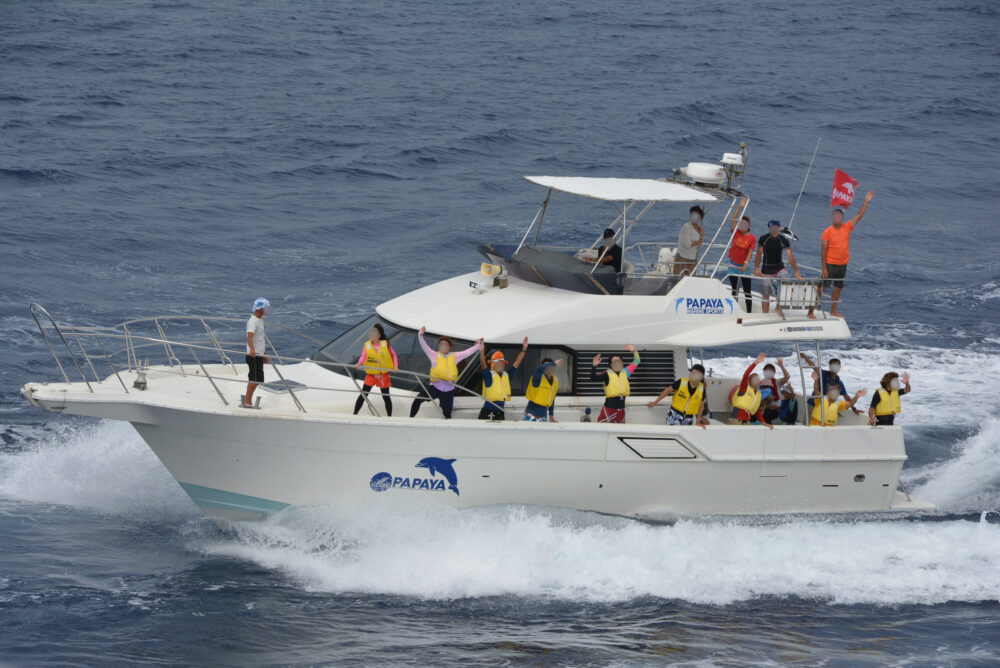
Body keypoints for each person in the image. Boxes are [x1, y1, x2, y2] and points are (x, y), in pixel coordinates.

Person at [810, 190, 875, 318]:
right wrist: (824, 268)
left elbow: (859, 216)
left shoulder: (847, 227)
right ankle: (810, 311)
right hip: (830, 263)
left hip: (842, 264)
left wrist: (866, 202)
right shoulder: (827, 231)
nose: (837, 218)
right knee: (821, 288)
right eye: (835, 216)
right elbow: (823, 251)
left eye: (839, 216)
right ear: (832, 218)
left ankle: (833, 310)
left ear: (842, 218)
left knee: (838, 287)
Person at [409, 327, 482, 419]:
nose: (443, 347)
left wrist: (478, 344)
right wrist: (420, 334)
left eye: (445, 345)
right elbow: (424, 346)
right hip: (435, 387)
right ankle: (410, 418)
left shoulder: (455, 356)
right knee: (418, 400)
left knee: (447, 412)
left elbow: (467, 352)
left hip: (449, 390)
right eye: (441, 345)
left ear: (449, 347)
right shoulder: (433, 354)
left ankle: (448, 427)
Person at [754, 219, 802, 316]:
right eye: (771, 227)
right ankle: (765, 315)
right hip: (766, 270)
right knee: (765, 295)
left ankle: (778, 308)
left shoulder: (783, 240)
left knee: (787, 283)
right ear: (769, 228)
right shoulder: (763, 239)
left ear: (779, 228)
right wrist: (756, 268)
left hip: (779, 268)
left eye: (776, 227)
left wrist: (797, 271)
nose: (774, 229)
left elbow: (790, 256)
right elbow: (759, 254)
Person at [477, 337, 528, 420]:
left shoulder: (507, 376)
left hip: (500, 412)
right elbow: (483, 365)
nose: (500, 364)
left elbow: (516, 363)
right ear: (493, 365)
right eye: (497, 363)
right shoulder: (489, 376)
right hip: (487, 412)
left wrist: (524, 349)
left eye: (502, 363)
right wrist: (482, 351)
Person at [353, 323, 398, 416]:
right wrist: (359, 363)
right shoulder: (367, 345)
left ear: (379, 335)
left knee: (386, 396)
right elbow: (363, 356)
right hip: (371, 374)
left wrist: (395, 366)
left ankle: (389, 417)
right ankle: (354, 414)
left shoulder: (386, 344)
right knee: (363, 394)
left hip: (383, 375)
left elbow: (394, 355)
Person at [648, 363, 708, 428]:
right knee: (671, 433)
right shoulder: (681, 382)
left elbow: (701, 406)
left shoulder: (702, 389)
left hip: (688, 418)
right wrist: (655, 402)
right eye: (692, 373)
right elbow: (667, 390)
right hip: (674, 414)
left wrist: (698, 422)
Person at [590, 344, 640, 423]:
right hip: (609, 409)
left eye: (619, 361)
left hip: (621, 410)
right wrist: (594, 366)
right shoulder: (606, 374)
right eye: (614, 361)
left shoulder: (626, 372)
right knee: (603, 428)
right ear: (611, 364)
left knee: (620, 431)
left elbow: (637, 361)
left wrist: (635, 351)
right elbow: (593, 378)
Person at [728, 353, 774, 428]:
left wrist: (763, 422)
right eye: (754, 378)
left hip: (747, 421)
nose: (757, 380)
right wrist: (756, 362)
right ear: (749, 381)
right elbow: (746, 374)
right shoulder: (744, 388)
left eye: (758, 378)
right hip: (736, 419)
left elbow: (757, 410)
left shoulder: (758, 394)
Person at [727, 198, 757, 314]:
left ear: (748, 226)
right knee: (735, 290)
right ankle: (733, 312)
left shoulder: (752, 238)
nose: (742, 225)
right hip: (733, 265)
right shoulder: (736, 233)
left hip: (744, 268)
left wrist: (746, 263)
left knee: (747, 291)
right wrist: (740, 207)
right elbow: (733, 219)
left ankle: (748, 313)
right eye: (741, 223)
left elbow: (750, 252)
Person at [243, 297, 272, 408]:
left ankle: (248, 398)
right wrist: (252, 350)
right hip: (254, 355)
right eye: (265, 308)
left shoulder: (260, 320)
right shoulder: (253, 321)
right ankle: (247, 400)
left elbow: (260, 338)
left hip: (260, 354)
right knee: (255, 379)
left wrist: (264, 353)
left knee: (255, 379)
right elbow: (250, 336)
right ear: (260, 309)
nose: (267, 310)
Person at [524, 358, 565, 422]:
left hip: (543, 415)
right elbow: (539, 369)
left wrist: (551, 416)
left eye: (550, 366)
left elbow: (552, 399)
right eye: (546, 366)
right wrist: (554, 363)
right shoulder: (537, 378)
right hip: (531, 414)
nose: (548, 368)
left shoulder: (555, 381)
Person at [675, 206, 706, 276]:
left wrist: (702, 235)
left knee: (690, 281)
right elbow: (686, 244)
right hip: (682, 259)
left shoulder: (699, 228)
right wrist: (698, 242)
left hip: (692, 259)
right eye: (692, 214)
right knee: (678, 281)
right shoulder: (686, 226)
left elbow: (700, 241)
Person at [758, 358, 791, 424]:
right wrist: (767, 401)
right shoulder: (760, 383)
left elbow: (787, 377)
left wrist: (781, 366)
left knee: (767, 415)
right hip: (765, 408)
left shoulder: (777, 382)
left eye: (771, 371)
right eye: (767, 370)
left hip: (776, 409)